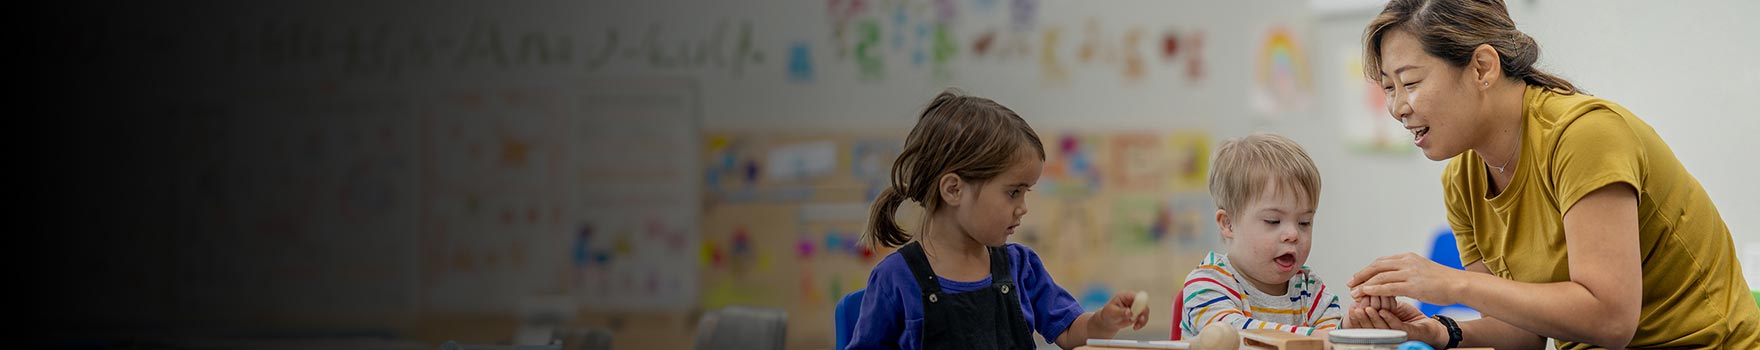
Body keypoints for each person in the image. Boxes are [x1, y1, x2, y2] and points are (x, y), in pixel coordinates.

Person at [1346, 0, 1759, 348]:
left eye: (1410, 82)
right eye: (1388, 88)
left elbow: (1611, 320)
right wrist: (1437, 331)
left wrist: (1452, 284)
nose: (1397, 108)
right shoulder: (1461, 181)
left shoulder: (1585, 136)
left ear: (1482, 68)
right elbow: (1522, 334)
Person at [846, 89, 1149, 350]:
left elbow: (1070, 332)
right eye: (1013, 192)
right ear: (954, 190)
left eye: (1025, 193)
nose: (1023, 208)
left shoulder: (1021, 267)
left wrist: (1103, 321)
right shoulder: (895, 277)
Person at [1174, 133, 1347, 340]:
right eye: (1273, 221)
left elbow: (1331, 339)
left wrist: (1352, 326)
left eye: (1304, 222)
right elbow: (1236, 336)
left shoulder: (1311, 290)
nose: (1293, 234)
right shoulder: (1207, 283)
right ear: (1228, 224)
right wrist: (1316, 337)